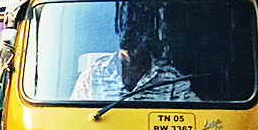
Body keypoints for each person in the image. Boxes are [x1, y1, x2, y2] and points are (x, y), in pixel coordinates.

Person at [69, 22, 199, 103]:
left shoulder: (172, 78)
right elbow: (73, 119)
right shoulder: (92, 76)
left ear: (148, 39)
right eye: (125, 34)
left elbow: (194, 120)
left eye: (137, 35)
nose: (130, 39)